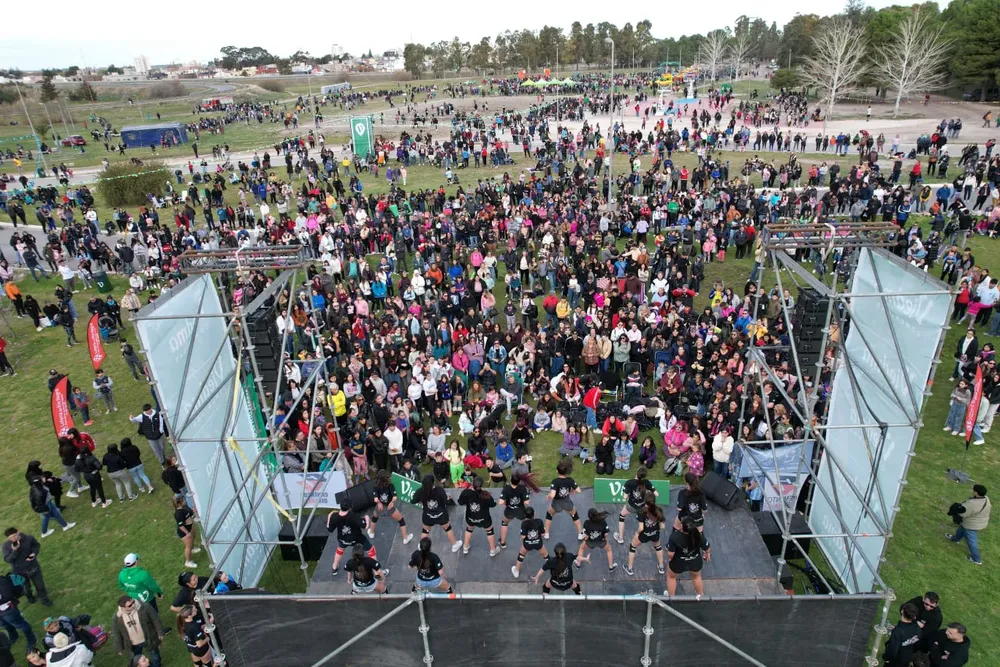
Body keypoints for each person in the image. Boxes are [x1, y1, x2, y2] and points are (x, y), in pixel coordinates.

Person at [2, 528, 53, 606]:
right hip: (18, 571)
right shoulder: (6, 546)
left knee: (40, 586)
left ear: (18, 532)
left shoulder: (28, 538)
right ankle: (30, 597)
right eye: (11, 537)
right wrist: (15, 550)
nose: (13, 538)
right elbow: (8, 559)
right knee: (26, 589)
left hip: (33, 567)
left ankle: (44, 600)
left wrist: (34, 553)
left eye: (15, 535)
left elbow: (36, 545)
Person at [110, 595, 163, 667]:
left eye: (133, 602)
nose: (133, 605)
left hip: (148, 638)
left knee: (155, 655)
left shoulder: (144, 606)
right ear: (123, 607)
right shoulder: (117, 617)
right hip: (133, 644)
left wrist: (160, 632)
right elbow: (116, 633)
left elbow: (155, 619)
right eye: (129, 605)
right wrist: (119, 647)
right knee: (137, 659)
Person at [326, 498, 376, 575]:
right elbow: (365, 526)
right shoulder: (353, 516)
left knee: (340, 549)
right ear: (349, 508)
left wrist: (330, 515)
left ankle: (334, 567)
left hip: (343, 539)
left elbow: (330, 529)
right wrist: (366, 518)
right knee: (371, 550)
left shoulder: (334, 516)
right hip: (357, 538)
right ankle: (377, 571)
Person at [665, 517, 711, 598]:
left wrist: (670, 559)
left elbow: (670, 554)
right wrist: (707, 553)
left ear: (682, 527)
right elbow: (707, 548)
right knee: (696, 577)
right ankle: (700, 596)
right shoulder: (698, 535)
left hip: (678, 562)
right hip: (695, 561)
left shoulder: (675, 536)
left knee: (671, 577)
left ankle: (671, 597)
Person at [414, 475, 461, 552]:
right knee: (448, 529)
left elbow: (413, 501)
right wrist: (447, 498)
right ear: (433, 483)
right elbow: (446, 501)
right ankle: (454, 545)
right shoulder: (439, 490)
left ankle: (421, 546)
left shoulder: (420, 491)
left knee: (425, 531)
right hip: (441, 516)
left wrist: (421, 500)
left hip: (428, 516)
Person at [946, 484, 990, 565]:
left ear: (976, 493)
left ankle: (977, 559)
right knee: (962, 528)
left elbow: (963, 514)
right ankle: (955, 539)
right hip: (979, 521)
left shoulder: (972, 504)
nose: (972, 491)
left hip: (972, 525)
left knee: (972, 541)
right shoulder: (986, 499)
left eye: (973, 490)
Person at [624, 493, 667, 576]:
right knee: (658, 547)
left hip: (644, 535)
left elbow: (641, 528)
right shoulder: (659, 510)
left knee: (633, 546)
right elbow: (662, 526)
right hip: (655, 534)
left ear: (644, 501)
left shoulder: (641, 511)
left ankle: (629, 568)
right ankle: (661, 567)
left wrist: (636, 534)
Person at [542, 458, 585, 540]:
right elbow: (579, 490)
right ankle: (580, 533)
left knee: (549, 514)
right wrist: (572, 490)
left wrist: (549, 496)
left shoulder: (555, 482)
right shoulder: (570, 480)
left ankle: (546, 533)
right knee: (574, 515)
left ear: (557, 471)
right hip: (567, 502)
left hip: (556, 503)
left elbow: (553, 495)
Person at [458, 475, 499, 556]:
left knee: (469, 529)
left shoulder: (466, 493)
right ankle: (493, 550)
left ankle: (465, 548)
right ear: (481, 485)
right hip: (484, 519)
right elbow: (493, 504)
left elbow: (460, 502)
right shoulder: (485, 495)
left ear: (472, 484)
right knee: (490, 531)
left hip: (471, 518)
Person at [615, 466, 657, 544]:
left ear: (637, 473)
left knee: (621, 516)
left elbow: (624, 497)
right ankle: (642, 537)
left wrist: (627, 494)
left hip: (631, 506)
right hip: (643, 507)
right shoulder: (646, 482)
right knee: (642, 523)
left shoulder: (629, 482)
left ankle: (620, 538)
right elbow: (656, 494)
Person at [371, 470, 414, 545]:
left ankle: (371, 532)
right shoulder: (390, 485)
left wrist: (379, 503)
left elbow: (375, 499)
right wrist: (391, 502)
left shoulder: (375, 486)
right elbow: (394, 497)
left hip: (380, 508)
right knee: (401, 520)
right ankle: (405, 538)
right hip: (389, 508)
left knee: (374, 518)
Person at [0, 573, 36, 651]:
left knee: (20, 624)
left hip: (8, 610)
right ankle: (14, 636)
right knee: (5, 625)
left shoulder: (2, 581)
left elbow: (7, 596)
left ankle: (32, 638)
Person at [576, 507, 617, 572]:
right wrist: (606, 541)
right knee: (609, 550)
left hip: (590, 542)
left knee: (581, 548)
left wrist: (584, 542)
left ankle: (578, 564)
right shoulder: (603, 522)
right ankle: (611, 567)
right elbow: (606, 534)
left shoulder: (587, 523)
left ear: (589, 516)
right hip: (601, 542)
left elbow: (586, 535)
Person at [510, 506, 547, 579]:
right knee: (546, 555)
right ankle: (553, 567)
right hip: (538, 543)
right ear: (534, 514)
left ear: (525, 515)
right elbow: (543, 534)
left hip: (527, 544)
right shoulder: (539, 521)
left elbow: (523, 536)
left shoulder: (524, 523)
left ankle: (516, 571)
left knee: (521, 555)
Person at [883, 602, 922, 667]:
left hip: (895, 661)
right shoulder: (918, 629)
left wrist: (886, 658)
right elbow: (917, 644)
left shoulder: (898, 631)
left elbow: (892, 650)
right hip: (907, 658)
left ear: (902, 612)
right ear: (914, 617)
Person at [498, 473, 530, 549]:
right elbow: (527, 502)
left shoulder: (506, 489)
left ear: (510, 480)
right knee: (527, 523)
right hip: (521, 510)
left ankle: (502, 543)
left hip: (509, 511)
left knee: (504, 523)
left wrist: (505, 502)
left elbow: (500, 502)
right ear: (519, 482)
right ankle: (529, 540)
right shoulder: (522, 488)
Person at [174, 495, 201, 568]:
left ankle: (193, 549)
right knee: (188, 546)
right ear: (179, 503)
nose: (185, 501)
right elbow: (181, 525)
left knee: (193, 539)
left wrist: (193, 510)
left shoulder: (185, 507)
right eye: (183, 500)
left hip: (190, 527)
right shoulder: (178, 514)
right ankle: (188, 561)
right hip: (184, 531)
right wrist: (187, 533)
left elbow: (190, 513)